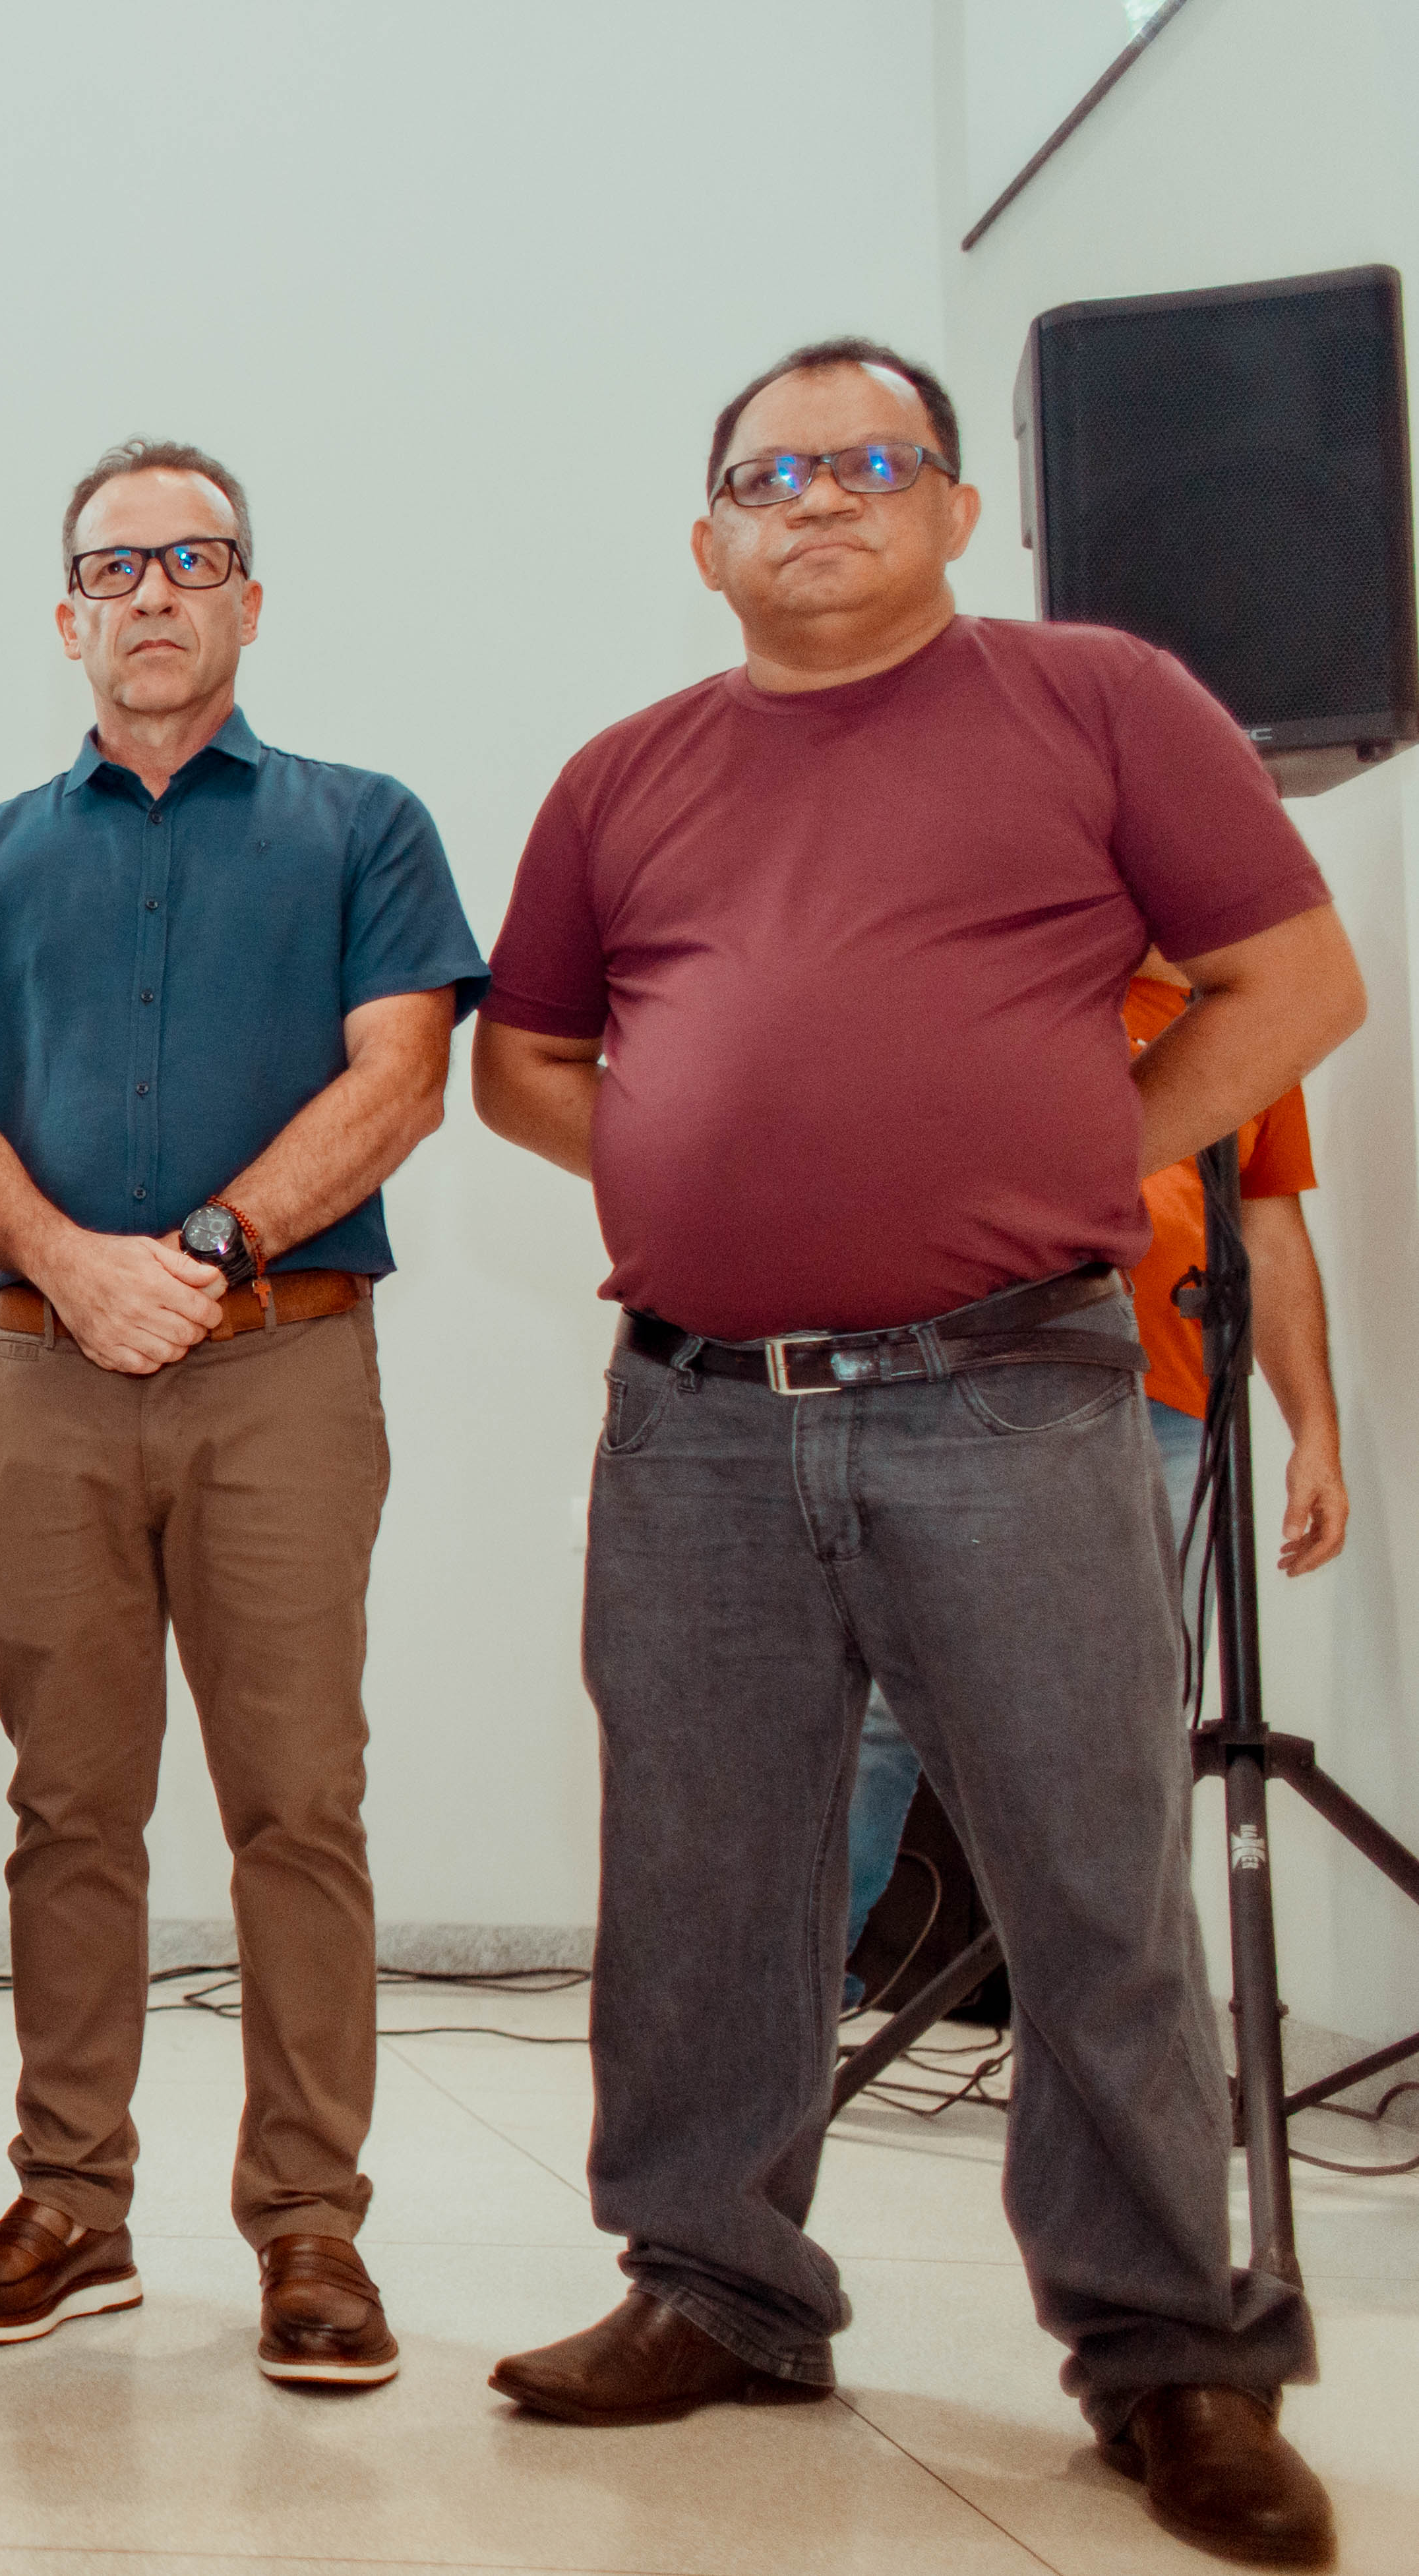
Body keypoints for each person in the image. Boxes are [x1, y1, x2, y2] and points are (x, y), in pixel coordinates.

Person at [473, 338, 1358, 2568]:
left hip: (1011, 1392)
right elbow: (524, 1065)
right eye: (769, 474)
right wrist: (695, 1167)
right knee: (705, 1879)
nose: (819, 497)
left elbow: (1292, 986)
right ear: (707, 542)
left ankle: (1168, 2351)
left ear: (957, 511)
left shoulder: (1099, 705)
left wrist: (1076, 1154)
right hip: (694, 1417)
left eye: (872, 460)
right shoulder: (620, 776)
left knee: (1091, 1877)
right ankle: (716, 2285)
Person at [0, 439, 484, 2378]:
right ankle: (70, 2202)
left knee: (295, 1800)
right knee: (67, 1802)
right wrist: (72, 1264)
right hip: (47, 1378)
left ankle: (309, 2226)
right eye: (113, 566)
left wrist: (203, 1249)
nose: (151, 591)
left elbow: (401, 1078)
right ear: (65, 616)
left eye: (191, 558)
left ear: (248, 599)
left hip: (281, 1367)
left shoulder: (361, 827)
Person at [838, 953, 1347, 1987]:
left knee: (1134, 1723)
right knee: (891, 1706)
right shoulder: (1029, 982)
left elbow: (1270, 1228)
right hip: (990, 1395)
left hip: (1171, 1416)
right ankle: (788, 2003)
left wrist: (1316, 1433)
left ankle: (1107, 2024)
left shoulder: (1249, 1020)